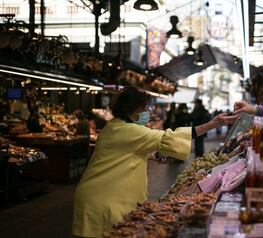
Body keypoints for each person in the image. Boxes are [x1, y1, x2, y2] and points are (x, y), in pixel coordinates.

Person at [72, 87, 236, 237]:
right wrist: (214, 123)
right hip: (106, 199)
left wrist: (153, 156)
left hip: (96, 193)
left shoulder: (114, 126)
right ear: (134, 109)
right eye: (144, 108)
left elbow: (121, 153)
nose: (147, 111)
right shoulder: (132, 130)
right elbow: (172, 137)